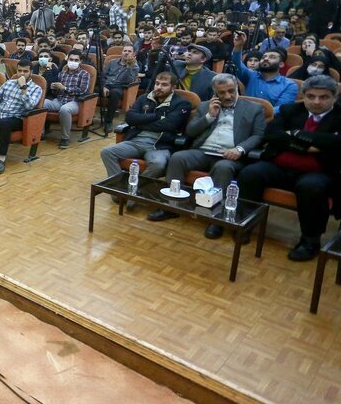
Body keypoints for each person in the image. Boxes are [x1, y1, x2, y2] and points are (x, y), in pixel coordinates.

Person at [237, 75, 341, 261]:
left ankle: (310, 241)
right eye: (311, 96)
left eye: (324, 97)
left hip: (319, 172)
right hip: (279, 166)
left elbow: (337, 143)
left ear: (334, 97)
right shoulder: (290, 110)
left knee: (310, 187)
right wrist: (311, 146)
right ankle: (246, 223)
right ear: (303, 96)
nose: (316, 101)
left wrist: (294, 134)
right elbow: (271, 135)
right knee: (250, 173)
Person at [147, 74, 266, 230]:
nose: (227, 96)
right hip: (203, 151)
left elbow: (259, 135)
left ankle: (217, 219)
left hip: (230, 156)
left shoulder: (254, 109)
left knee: (223, 167)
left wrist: (239, 149)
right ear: (215, 92)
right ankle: (171, 207)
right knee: (178, 158)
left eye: (231, 91)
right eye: (221, 92)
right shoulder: (205, 106)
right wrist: (210, 116)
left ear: (237, 88)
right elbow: (190, 131)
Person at [99, 71, 192, 183]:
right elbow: (130, 118)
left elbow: (169, 125)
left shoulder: (182, 103)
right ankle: (118, 184)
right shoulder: (144, 98)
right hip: (136, 141)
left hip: (159, 146)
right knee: (107, 152)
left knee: (158, 164)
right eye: (157, 83)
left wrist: (140, 123)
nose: (159, 87)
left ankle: (136, 187)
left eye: (164, 85)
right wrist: (156, 116)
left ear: (173, 87)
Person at [230, 35, 298, 114]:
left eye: (272, 57)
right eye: (263, 57)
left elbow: (281, 109)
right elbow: (237, 64)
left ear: (281, 64)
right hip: (244, 116)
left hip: (270, 120)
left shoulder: (289, 85)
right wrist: (238, 46)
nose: (266, 59)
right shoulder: (251, 76)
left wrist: (256, 116)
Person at [44, 50, 91, 149]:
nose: (73, 62)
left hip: (75, 102)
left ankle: (65, 138)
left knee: (65, 109)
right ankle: (40, 133)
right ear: (67, 60)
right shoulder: (62, 73)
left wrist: (64, 88)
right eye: (71, 59)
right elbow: (56, 92)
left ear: (80, 61)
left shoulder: (84, 74)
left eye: (76, 60)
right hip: (59, 100)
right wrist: (54, 88)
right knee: (43, 103)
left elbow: (82, 91)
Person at [101, 43, 140, 133]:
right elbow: (103, 76)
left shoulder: (134, 66)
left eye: (129, 51)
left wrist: (129, 66)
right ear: (121, 52)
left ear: (134, 54)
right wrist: (103, 86)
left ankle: (108, 121)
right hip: (106, 85)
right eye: (125, 51)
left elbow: (129, 81)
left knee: (115, 93)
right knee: (91, 92)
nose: (126, 53)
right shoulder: (112, 62)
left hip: (119, 87)